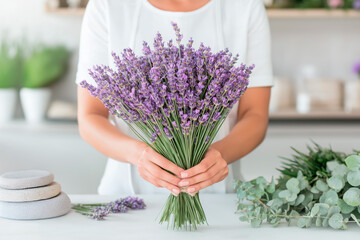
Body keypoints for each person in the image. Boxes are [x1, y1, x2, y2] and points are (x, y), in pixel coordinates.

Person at [76, 0, 273, 196]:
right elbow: (90, 116)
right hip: (126, 193)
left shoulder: (246, 6)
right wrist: (137, 154)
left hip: (218, 194)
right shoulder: (107, 5)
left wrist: (221, 154)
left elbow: (255, 114)